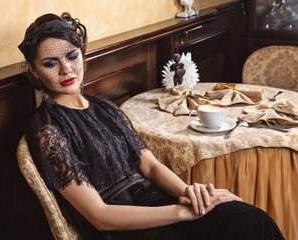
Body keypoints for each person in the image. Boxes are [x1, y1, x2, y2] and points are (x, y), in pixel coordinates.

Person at [18, 12, 285, 240]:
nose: (66, 69)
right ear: (34, 70)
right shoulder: (48, 130)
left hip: (158, 204)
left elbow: (151, 166)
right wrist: (183, 212)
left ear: (82, 54)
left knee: (252, 221)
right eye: (51, 63)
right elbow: (100, 216)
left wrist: (193, 196)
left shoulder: (104, 107)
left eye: (72, 56)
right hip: (124, 228)